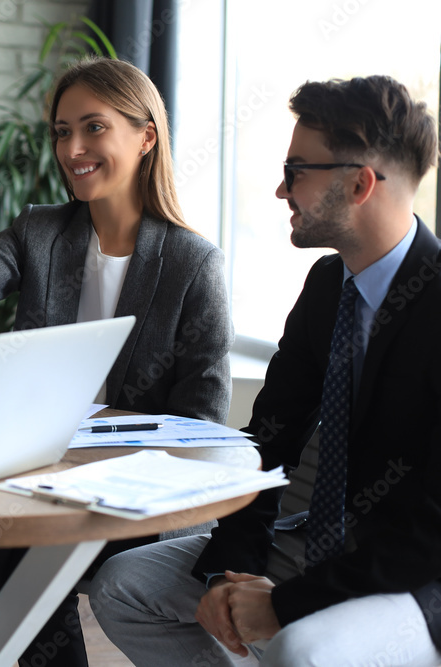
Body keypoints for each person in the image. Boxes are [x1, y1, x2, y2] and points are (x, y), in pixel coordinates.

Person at [0, 56, 232, 666]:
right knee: (9, 531)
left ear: (146, 136)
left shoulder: (193, 263)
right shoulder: (42, 232)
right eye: (62, 131)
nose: (72, 148)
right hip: (43, 485)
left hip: (136, 496)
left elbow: (200, 425)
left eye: (94, 127)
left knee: (11, 538)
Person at [89, 75, 441, 666]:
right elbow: (269, 440)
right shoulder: (329, 286)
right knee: (125, 585)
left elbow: (432, 532)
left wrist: (287, 603)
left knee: (302, 646)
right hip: (321, 544)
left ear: (360, 183)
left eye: (297, 169)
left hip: (418, 574)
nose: (282, 189)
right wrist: (239, 572)